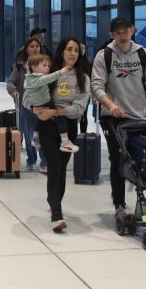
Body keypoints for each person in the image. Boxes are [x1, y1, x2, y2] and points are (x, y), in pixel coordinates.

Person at [91, 17, 146, 222]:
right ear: (111, 34)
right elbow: (96, 86)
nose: (123, 36)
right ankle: (120, 204)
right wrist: (110, 105)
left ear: (132, 31)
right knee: (118, 158)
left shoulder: (143, 53)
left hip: (140, 115)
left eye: (126, 31)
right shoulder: (104, 56)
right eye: (118, 32)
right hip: (113, 117)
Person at [32, 38, 91, 231]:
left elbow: (80, 108)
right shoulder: (51, 72)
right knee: (55, 168)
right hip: (48, 127)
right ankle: (56, 214)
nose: (73, 53)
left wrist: (56, 112)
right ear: (62, 51)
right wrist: (36, 109)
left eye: (76, 50)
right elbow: (31, 92)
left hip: (69, 127)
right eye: (69, 49)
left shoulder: (83, 78)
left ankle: (53, 200)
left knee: (62, 169)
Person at [6, 37, 47, 172]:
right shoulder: (20, 65)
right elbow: (10, 82)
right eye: (32, 46)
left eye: (37, 46)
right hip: (25, 106)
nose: (35, 48)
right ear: (26, 49)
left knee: (42, 134)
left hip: (43, 106)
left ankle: (45, 161)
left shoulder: (45, 64)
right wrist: (14, 92)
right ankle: (31, 159)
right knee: (29, 135)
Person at [23, 54, 79, 153]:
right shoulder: (36, 79)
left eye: (48, 66)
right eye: (44, 65)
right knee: (60, 118)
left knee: (41, 120)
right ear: (34, 67)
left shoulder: (29, 79)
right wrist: (60, 73)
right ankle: (65, 142)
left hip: (41, 104)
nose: (47, 68)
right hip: (45, 103)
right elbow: (46, 79)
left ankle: (36, 138)